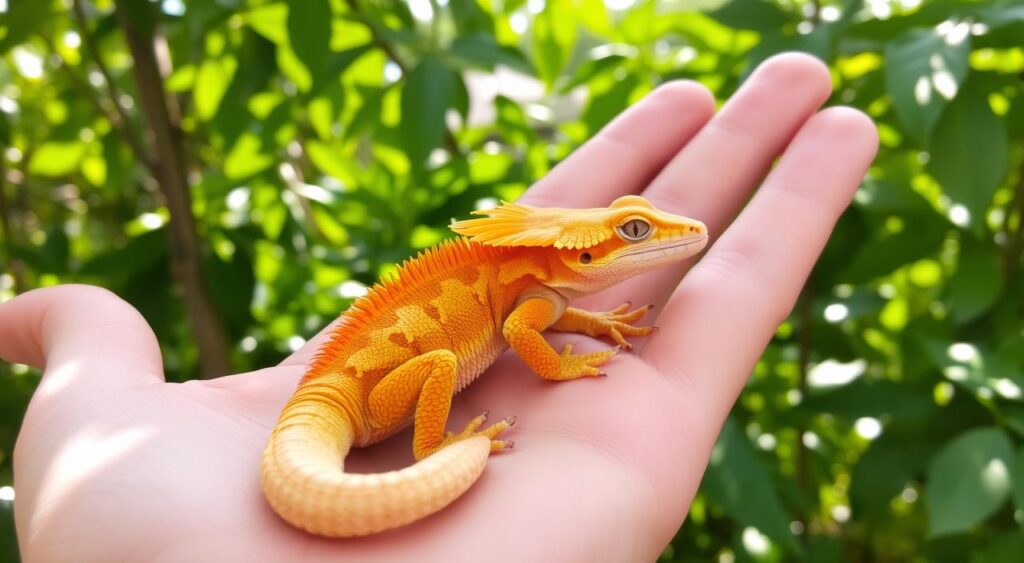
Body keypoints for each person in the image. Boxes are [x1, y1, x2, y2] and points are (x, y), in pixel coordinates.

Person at [0, 53, 877, 562]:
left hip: (335, 401)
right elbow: (532, 337)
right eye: (632, 231)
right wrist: (547, 377)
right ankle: (432, 442)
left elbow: (537, 313)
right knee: (431, 363)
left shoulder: (534, 284)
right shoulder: (529, 300)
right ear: (577, 251)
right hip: (360, 409)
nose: (655, 238)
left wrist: (595, 323)